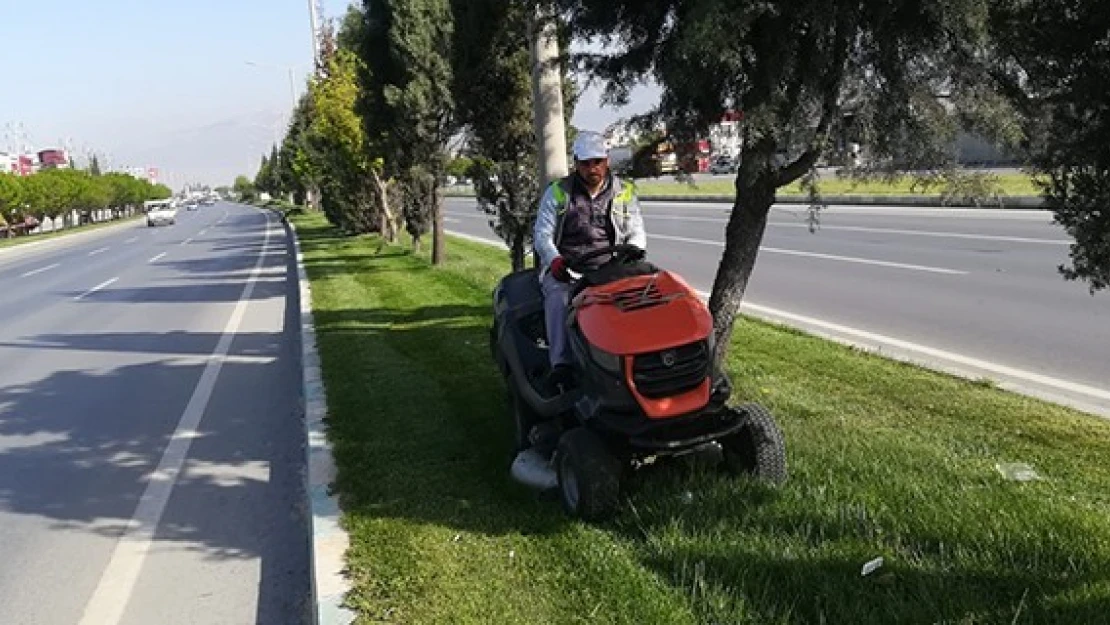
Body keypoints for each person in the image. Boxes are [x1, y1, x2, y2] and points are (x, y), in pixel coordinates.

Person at [533, 131, 647, 392]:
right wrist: (554, 260)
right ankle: (560, 364)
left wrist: (635, 249)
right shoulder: (558, 192)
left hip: (610, 267)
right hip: (568, 269)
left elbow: (636, 229)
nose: (592, 168)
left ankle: (634, 358)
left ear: (606, 161)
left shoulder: (624, 192)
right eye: (586, 163)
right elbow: (542, 234)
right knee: (558, 299)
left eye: (597, 161)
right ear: (576, 163)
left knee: (640, 298)